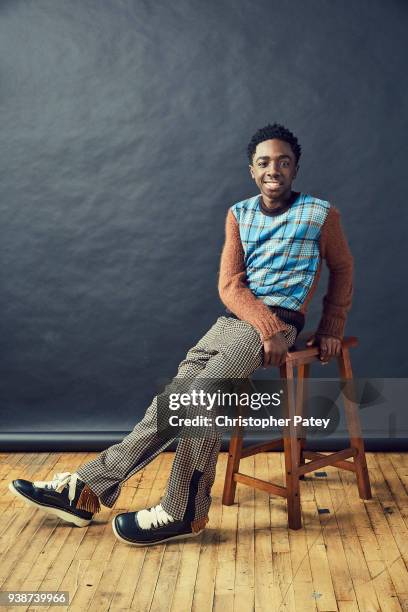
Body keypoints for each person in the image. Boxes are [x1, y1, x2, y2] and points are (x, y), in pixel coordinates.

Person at [9, 123, 353, 546]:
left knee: (204, 392)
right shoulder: (239, 214)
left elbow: (343, 268)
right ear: (251, 170)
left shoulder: (320, 213)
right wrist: (263, 328)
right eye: (264, 162)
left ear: (295, 168)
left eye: (283, 162)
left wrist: (331, 326)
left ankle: (182, 508)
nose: (273, 170)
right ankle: (85, 490)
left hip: (282, 321)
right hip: (237, 322)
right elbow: (230, 284)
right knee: (173, 400)